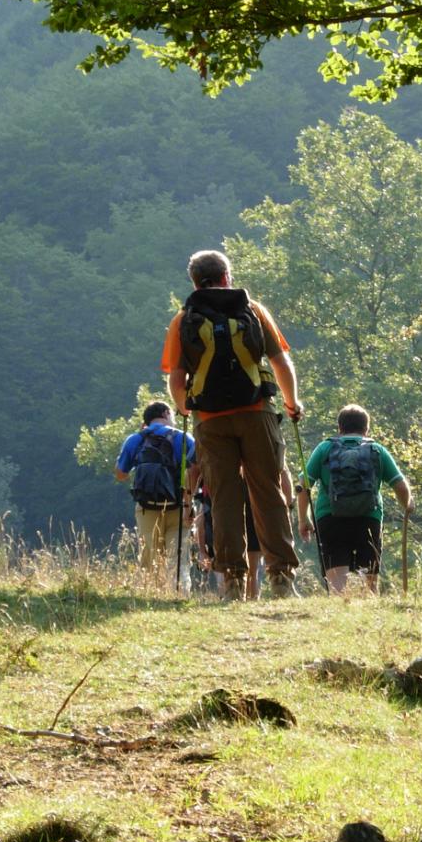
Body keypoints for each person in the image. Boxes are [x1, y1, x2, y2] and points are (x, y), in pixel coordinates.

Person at [163, 249, 304, 600]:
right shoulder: (253, 310)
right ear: (227, 276)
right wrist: (291, 403)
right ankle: (281, 578)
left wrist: (184, 408)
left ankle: (233, 582)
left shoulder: (185, 319)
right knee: (268, 492)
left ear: (195, 281)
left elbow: (176, 377)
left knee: (224, 499)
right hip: (256, 412)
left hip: (210, 420)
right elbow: (280, 361)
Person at [298, 403, 411, 594]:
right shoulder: (377, 450)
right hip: (368, 518)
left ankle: (339, 616)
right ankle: (368, 619)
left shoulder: (324, 448)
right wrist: (408, 504)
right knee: (369, 586)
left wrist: (304, 519)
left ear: (339, 428)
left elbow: (303, 485)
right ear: (366, 429)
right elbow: (400, 485)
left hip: (330, 518)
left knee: (337, 587)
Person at [114, 401, 198, 591]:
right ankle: (179, 598)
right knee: (178, 560)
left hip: (147, 508)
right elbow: (195, 471)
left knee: (151, 559)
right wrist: (189, 504)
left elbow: (121, 474)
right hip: (178, 507)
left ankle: (150, 598)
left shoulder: (135, 439)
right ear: (167, 413)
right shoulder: (183, 438)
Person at [195, 465, 297, 600]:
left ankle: (233, 592)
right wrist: (289, 505)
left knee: (238, 567)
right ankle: (260, 594)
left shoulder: (220, 472)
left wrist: (202, 549)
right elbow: (282, 470)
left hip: (232, 515)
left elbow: (202, 513)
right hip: (254, 513)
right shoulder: (258, 472)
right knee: (253, 570)